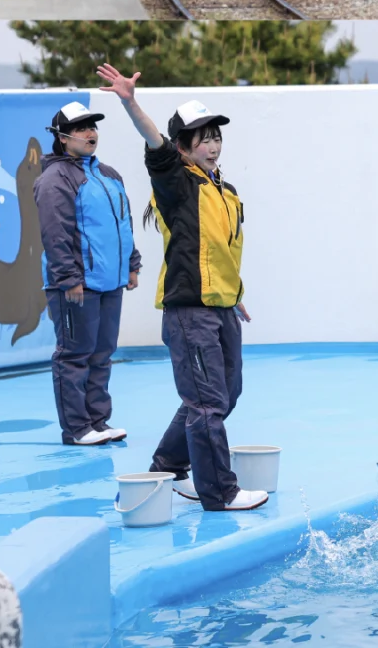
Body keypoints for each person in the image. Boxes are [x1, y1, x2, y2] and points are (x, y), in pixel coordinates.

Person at [95, 63, 267, 513]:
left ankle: (169, 465)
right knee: (207, 403)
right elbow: (154, 142)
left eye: (216, 137)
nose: (213, 145)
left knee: (225, 395)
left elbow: (221, 250)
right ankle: (220, 493)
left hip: (221, 307)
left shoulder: (225, 189)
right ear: (182, 147)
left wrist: (234, 294)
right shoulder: (176, 183)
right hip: (189, 313)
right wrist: (130, 103)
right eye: (202, 139)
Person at [33, 99, 140, 447]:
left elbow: (123, 224)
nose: (90, 133)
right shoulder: (55, 179)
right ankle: (77, 428)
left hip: (110, 282)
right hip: (76, 285)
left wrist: (132, 264)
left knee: (101, 354)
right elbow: (55, 233)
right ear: (62, 137)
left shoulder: (109, 174)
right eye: (81, 128)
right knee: (74, 356)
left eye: (93, 126)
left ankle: (98, 421)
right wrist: (68, 279)